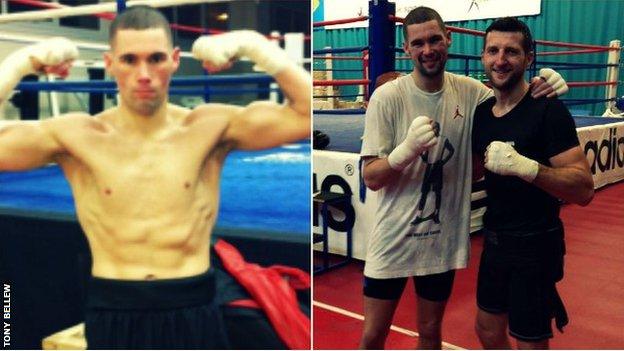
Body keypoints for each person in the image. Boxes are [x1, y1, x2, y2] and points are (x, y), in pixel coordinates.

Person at [0, 6, 310, 349]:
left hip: (192, 305)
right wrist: (21, 62)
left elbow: (308, 115)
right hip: (114, 310)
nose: (144, 73)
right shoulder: (77, 136)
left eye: (156, 59)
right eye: (129, 59)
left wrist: (257, 48)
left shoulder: (207, 128)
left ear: (175, 60)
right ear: (110, 63)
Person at [359, 6, 567, 349]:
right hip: (392, 240)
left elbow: (512, 96)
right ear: (407, 47)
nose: (428, 50)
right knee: (372, 336)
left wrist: (549, 85)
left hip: (439, 242)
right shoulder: (387, 98)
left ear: (449, 39)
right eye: (419, 43)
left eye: (435, 39)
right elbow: (371, 177)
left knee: (429, 331)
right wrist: (403, 152)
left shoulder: (472, 93)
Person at [472, 17, 594, 349]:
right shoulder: (482, 113)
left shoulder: (547, 110)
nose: (500, 60)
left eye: (511, 51)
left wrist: (528, 168)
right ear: (483, 56)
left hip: (535, 245)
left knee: (529, 341)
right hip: (495, 241)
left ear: (529, 58)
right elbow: (471, 171)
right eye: (493, 50)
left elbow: (583, 189)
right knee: (486, 328)